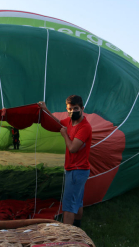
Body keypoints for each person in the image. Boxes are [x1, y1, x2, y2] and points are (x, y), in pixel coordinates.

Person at [38, 95, 92, 227]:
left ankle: (66, 237)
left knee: (68, 206)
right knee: (77, 201)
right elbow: (57, 123)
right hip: (76, 169)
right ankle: (77, 229)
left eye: (76, 108)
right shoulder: (69, 121)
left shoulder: (84, 127)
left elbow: (73, 148)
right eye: (70, 109)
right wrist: (45, 110)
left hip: (77, 170)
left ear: (82, 108)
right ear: (67, 109)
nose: (73, 111)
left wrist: (64, 135)